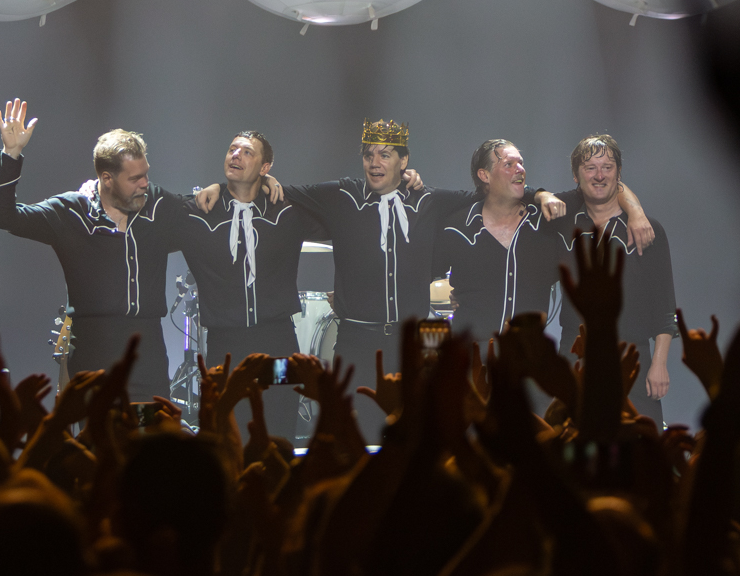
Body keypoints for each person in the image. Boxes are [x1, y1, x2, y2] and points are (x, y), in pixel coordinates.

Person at [199, 119, 565, 436]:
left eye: (385, 155)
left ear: (404, 162)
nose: (375, 162)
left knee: (412, 437)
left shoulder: (429, 201)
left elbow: (493, 192)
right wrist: (219, 186)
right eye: (369, 155)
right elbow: (264, 188)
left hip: (412, 344)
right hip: (356, 342)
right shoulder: (340, 196)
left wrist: (539, 194)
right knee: (351, 434)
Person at [0, 98, 187, 401]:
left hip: (149, 360)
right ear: (107, 179)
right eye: (134, 178)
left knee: (151, 428)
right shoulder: (69, 212)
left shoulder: (158, 205)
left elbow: (201, 213)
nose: (145, 183)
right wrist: (11, 154)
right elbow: (3, 216)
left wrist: (225, 190)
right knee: (97, 430)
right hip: (93, 359)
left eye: (146, 174)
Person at [179, 130, 326, 437]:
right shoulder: (200, 211)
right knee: (228, 431)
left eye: (247, 152)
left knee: (280, 423)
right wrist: (218, 188)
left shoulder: (287, 210)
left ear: (265, 167)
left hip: (278, 344)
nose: (236, 155)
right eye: (232, 149)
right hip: (225, 346)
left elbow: (343, 214)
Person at [557, 134, 677, 423]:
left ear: (619, 173)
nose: (599, 176)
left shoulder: (648, 230)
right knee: (572, 443)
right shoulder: (562, 227)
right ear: (576, 175)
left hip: (633, 357)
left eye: (607, 167)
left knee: (642, 444)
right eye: (590, 168)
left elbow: (665, 306)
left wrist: (659, 364)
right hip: (575, 355)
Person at [434, 140, 572, 353]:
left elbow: (600, 188)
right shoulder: (457, 227)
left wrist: (632, 207)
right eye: (509, 164)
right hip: (469, 358)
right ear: (484, 175)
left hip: (529, 358)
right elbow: (424, 276)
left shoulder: (545, 224)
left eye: (521, 163)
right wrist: (440, 294)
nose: (520, 169)